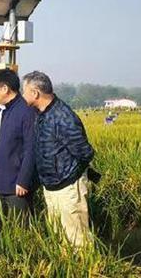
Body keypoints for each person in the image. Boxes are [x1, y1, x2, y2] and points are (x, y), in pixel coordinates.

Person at [22, 71, 95, 247]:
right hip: (51, 186)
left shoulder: (63, 116)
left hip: (68, 187)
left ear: (35, 93)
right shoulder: (41, 114)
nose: (22, 95)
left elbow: (85, 152)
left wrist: (70, 175)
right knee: (60, 236)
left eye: (24, 91)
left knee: (77, 237)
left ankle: (86, 270)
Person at [0, 69, 37, 222]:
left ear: (5, 88)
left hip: (16, 181)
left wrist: (23, 179)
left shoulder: (25, 111)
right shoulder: (0, 110)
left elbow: (31, 149)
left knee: (18, 226)